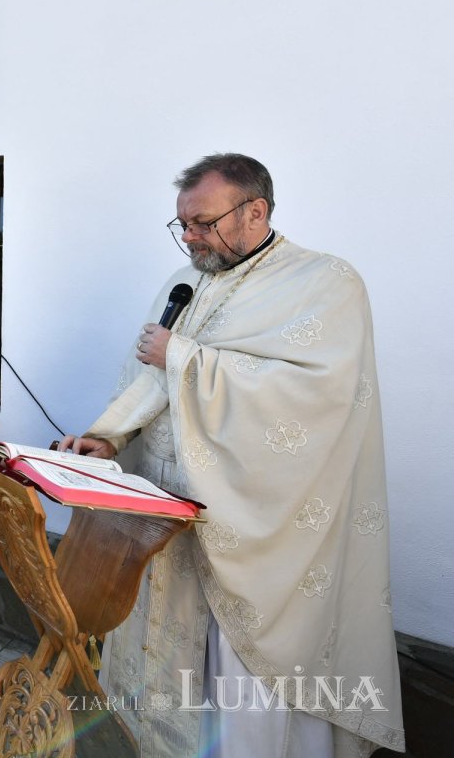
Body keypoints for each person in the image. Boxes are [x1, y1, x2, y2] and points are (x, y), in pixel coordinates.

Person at [57, 154, 404, 756]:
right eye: (181, 225)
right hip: (165, 517)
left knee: (236, 686)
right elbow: (149, 376)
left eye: (202, 223)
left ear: (256, 211)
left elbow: (314, 401)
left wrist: (184, 358)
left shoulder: (324, 283)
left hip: (249, 531)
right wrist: (110, 435)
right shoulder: (182, 283)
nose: (188, 237)